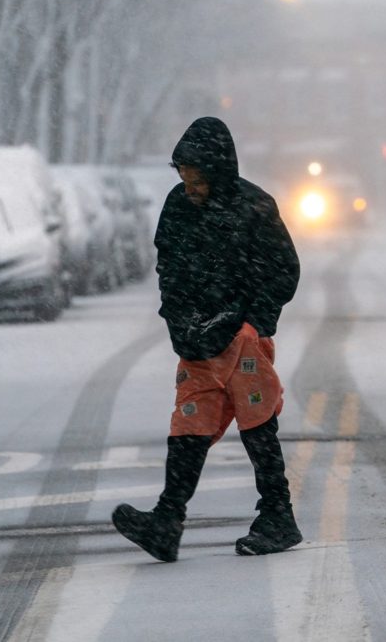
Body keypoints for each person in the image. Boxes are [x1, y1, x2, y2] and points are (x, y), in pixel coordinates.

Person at [112, 116, 301, 562]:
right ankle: (166, 521)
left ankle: (278, 515)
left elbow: (284, 271)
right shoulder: (177, 208)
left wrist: (256, 322)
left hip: (242, 337)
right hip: (196, 337)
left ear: (217, 172)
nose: (191, 188)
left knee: (257, 424)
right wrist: (178, 322)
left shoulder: (254, 207)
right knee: (189, 425)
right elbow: (169, 271)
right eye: (185, 179)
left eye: (197, 180)